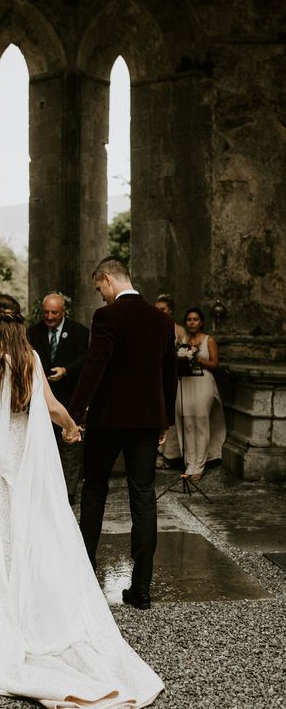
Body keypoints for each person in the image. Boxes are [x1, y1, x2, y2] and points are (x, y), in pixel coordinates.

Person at [0, 294, 164, 708]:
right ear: (20, 322)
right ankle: (27, 604)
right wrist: (73, 427)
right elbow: (53, 407)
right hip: (19, 458)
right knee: (23, 528)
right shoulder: (30, 358)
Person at [69, 258, 177, 611]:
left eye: (99, 289)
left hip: (108, 421)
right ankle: (141, 587)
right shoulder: (162, 320)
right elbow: (168, 375)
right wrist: (164, 421)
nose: (101, 296)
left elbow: (95, 365)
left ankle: (83, 574)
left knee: (95, 489)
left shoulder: (107, 317)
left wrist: (73, 414)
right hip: (147, 421)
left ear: (107, 279)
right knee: (143, 497)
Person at [27, 293, 89, 504]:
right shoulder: (33, 333)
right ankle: (46, 490)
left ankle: (68, 493)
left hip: (69, 396)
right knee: (43, 444)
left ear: (63, 311)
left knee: (70, 444)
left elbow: (85, 358)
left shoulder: (79, 331)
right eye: (46, 312)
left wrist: (66, 370)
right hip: (41, 398)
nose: (50, 316)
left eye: (54, 312)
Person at [176, 307, 226, 481]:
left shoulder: (208, 340)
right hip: (186, 382)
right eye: (189, 319)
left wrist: (197, 358)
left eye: (195, 319)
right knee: (187, 422)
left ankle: (200, 465)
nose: (192, 322)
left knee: (201, 422)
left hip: (204, 382)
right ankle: (189, 463)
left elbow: (215, 364)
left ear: (201, 322)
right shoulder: (182, 339)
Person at [154, 294, 185, 466]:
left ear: (170, 310)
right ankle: (162, 451)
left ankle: (174, 453)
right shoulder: (153, 327)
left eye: (163, 309)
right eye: (157, 309)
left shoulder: (179, 330)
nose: (159, 312)